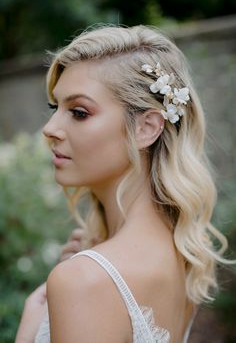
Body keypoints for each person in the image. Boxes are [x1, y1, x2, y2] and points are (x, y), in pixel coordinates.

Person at [15, 24, 230, 343]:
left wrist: (29, 328)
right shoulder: (182, 258)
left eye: (78, 112)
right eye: (54, 108)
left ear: (146, 127)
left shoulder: (84, 280)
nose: (50, 128)